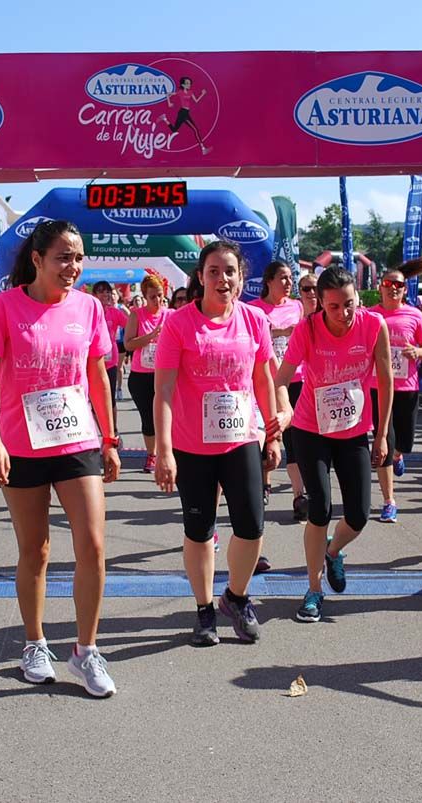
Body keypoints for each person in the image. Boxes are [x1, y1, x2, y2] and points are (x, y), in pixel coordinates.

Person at [0, 219, 121, 697]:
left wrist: (110, 438)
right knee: (34, 550)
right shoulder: (3, 307)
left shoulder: (89, 307)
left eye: (78, 258)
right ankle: (35, 643)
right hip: (22, 445)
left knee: (92, 546)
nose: (72, 267)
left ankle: (86, 650)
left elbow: (97, 374)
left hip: (77, 441)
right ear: (37, 260)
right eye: (62, 258)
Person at [153, 240, 282, 646]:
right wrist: (164, 450)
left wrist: (274, 433)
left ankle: (236, 597)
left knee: (252, 526)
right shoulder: (179, 323)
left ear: (241, 277)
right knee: (199, 530)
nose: (222, 279)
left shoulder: (254, 320)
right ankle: (204, 609)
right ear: (201, 277)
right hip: (192, 445)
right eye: (214, 271)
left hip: (241, 439)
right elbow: (164, 390)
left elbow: (263, 378)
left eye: (230, 271)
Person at [275, 267, 391, 622]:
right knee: (320, 509)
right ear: (321, 305)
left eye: (350, 304)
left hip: (353, 431)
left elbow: (385, 380)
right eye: (334, 307)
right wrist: (285, 410)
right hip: (311, 429)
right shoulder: (308, 329)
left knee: (359, 515)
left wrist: (382, 435)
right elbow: (282, 377)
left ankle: (333, 550)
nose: (344, 313)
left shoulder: (374, 325)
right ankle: (313, 589)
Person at [370, 259, 422, 523]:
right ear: (380, 287)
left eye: (398, 285)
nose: (393, 288)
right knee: (384, 440)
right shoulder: (371, 316)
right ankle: (389, 501)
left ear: (405, 289)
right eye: (388, 283)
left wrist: (417, 352)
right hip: (377, 388)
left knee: (404, 442)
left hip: (407, 387)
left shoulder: (414, 315)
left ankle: (398, 455)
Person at [250, 260, 308, 519]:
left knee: (295, 440)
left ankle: (299, 496)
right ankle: (264, 485)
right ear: (268, 281)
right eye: (282, 277)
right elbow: (255, 342)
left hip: (294, 379)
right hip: (266, 381)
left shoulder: (297, 306)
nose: (288, 283)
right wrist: (281, 331)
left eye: (290, 278)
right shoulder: (255, 310)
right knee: (267, 435)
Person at [124, 275, 168, 472]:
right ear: (145, 297)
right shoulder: (137, 315)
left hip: (164, 374)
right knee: (148, 418)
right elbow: (128, 344)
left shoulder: (170, 314)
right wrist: (151, 336)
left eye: (160, 295)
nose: (157, 300)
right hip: (141, 376)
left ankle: (167, 453)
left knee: (167, 416)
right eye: (152, 297)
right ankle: (151, 454)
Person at [92, 280, 129, 443]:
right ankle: (102, 433)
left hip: (110, 361)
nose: (105, 294)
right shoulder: (89, 311)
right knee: (94, 400)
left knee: (109, 398)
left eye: (107, 291)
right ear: (94, 295)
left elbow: (131, 324)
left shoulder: (114, 312)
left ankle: (113, 432)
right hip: (92, 361)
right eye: (101, 291)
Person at [158, 76, 210, 155]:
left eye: (190, 83)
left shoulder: (191, 92)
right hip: (182, 113)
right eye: (187, 83)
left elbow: (196, 101)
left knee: (174, 130)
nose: (189, 85)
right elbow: (168, 94)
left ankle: (164, 118)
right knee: (195, 129)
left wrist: (202, 94)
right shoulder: (180, 92)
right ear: (183, 85)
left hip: (186, 113)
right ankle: (203, 149)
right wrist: (169, 103)